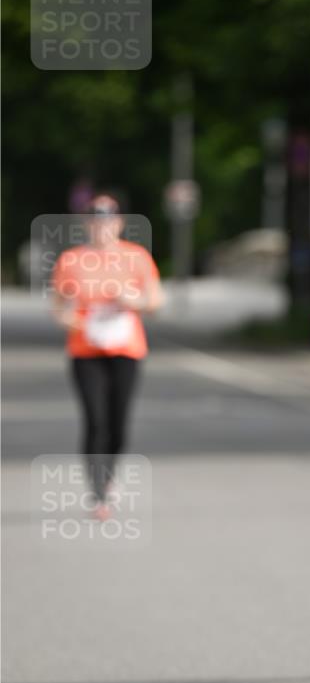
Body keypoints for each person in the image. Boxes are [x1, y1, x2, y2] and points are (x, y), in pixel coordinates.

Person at [51, 194, 164, 521]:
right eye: (96, 220)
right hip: (85, 350)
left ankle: (110, 473)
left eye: (109, 220)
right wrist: (68, 319)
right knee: (95, 420)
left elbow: (155, 301)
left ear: (119, 223)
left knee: (118, 423)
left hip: (126, 350)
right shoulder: (71, 260)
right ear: (87, 224)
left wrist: (132, 300)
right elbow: (58, 306)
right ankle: (98, 492)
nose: (102, 227)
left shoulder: (136, 257)